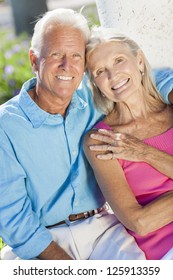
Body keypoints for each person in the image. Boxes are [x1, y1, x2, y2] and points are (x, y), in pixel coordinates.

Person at [0, 9, 172, 260]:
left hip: (101, 230)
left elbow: (134, 79)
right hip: (44, 240)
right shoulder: (7, 125)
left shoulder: (90, 99)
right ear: (35, 60)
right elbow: (13, 217)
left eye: (76, 56)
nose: (66, 66)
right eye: (56, 54)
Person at [84, 27, 173, 260]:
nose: (113, 76)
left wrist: (144, 152)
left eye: (119, 60)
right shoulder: (102, 140)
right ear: (95, 84)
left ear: (140, 61)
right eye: (100, 71)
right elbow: (140, 222)